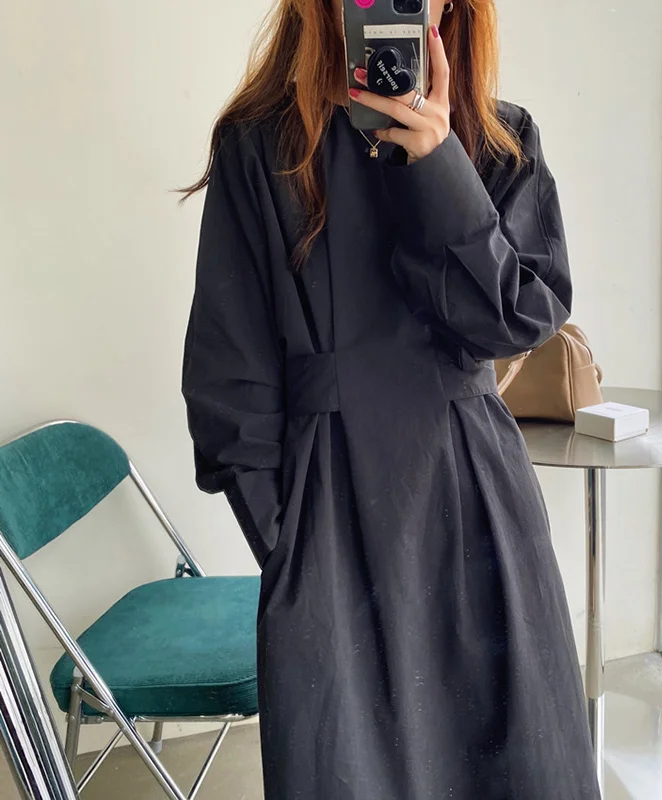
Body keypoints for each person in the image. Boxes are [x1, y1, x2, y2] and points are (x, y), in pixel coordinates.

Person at [181, 0, 600, 797]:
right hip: (330, 515)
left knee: (515, 766)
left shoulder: (500, 140)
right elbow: (227, 374)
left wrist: (439, 168)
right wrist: (288, 541)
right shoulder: (261, 146)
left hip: (477, 503)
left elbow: (518, 320)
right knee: (347, 768)